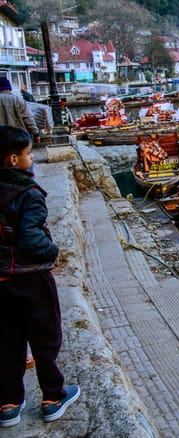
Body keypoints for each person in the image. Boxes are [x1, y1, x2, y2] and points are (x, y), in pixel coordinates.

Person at [0, 126, 80, 428]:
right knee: (45, 338)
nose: (32, 158)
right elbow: (32, 241)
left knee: (7, 342)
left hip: (1, 283)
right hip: (31, 280)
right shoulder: (28, 193)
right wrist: (53, 251)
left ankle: (8, 404)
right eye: (28, 154)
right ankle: (53, 398)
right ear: (12, 159)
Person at [0, 78, 40, 144]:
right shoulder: (19, 100)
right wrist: (36, 134)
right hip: (18, 137)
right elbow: (28, 119)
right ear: (9, 87)